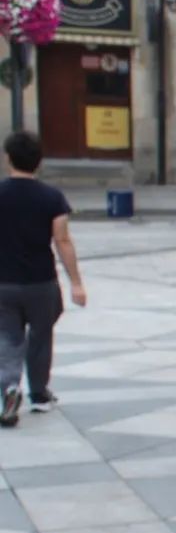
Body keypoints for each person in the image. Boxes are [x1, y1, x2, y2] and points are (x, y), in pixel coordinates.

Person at [0, 130, 86, 427]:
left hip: (3, 282)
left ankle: (10, 387)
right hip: (41, 282)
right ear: (39, 163)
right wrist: (76, 282)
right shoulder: (52, 197)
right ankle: (38, 394)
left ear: (7, 158)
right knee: (40, 336)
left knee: (8, 338)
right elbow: (62, 241)